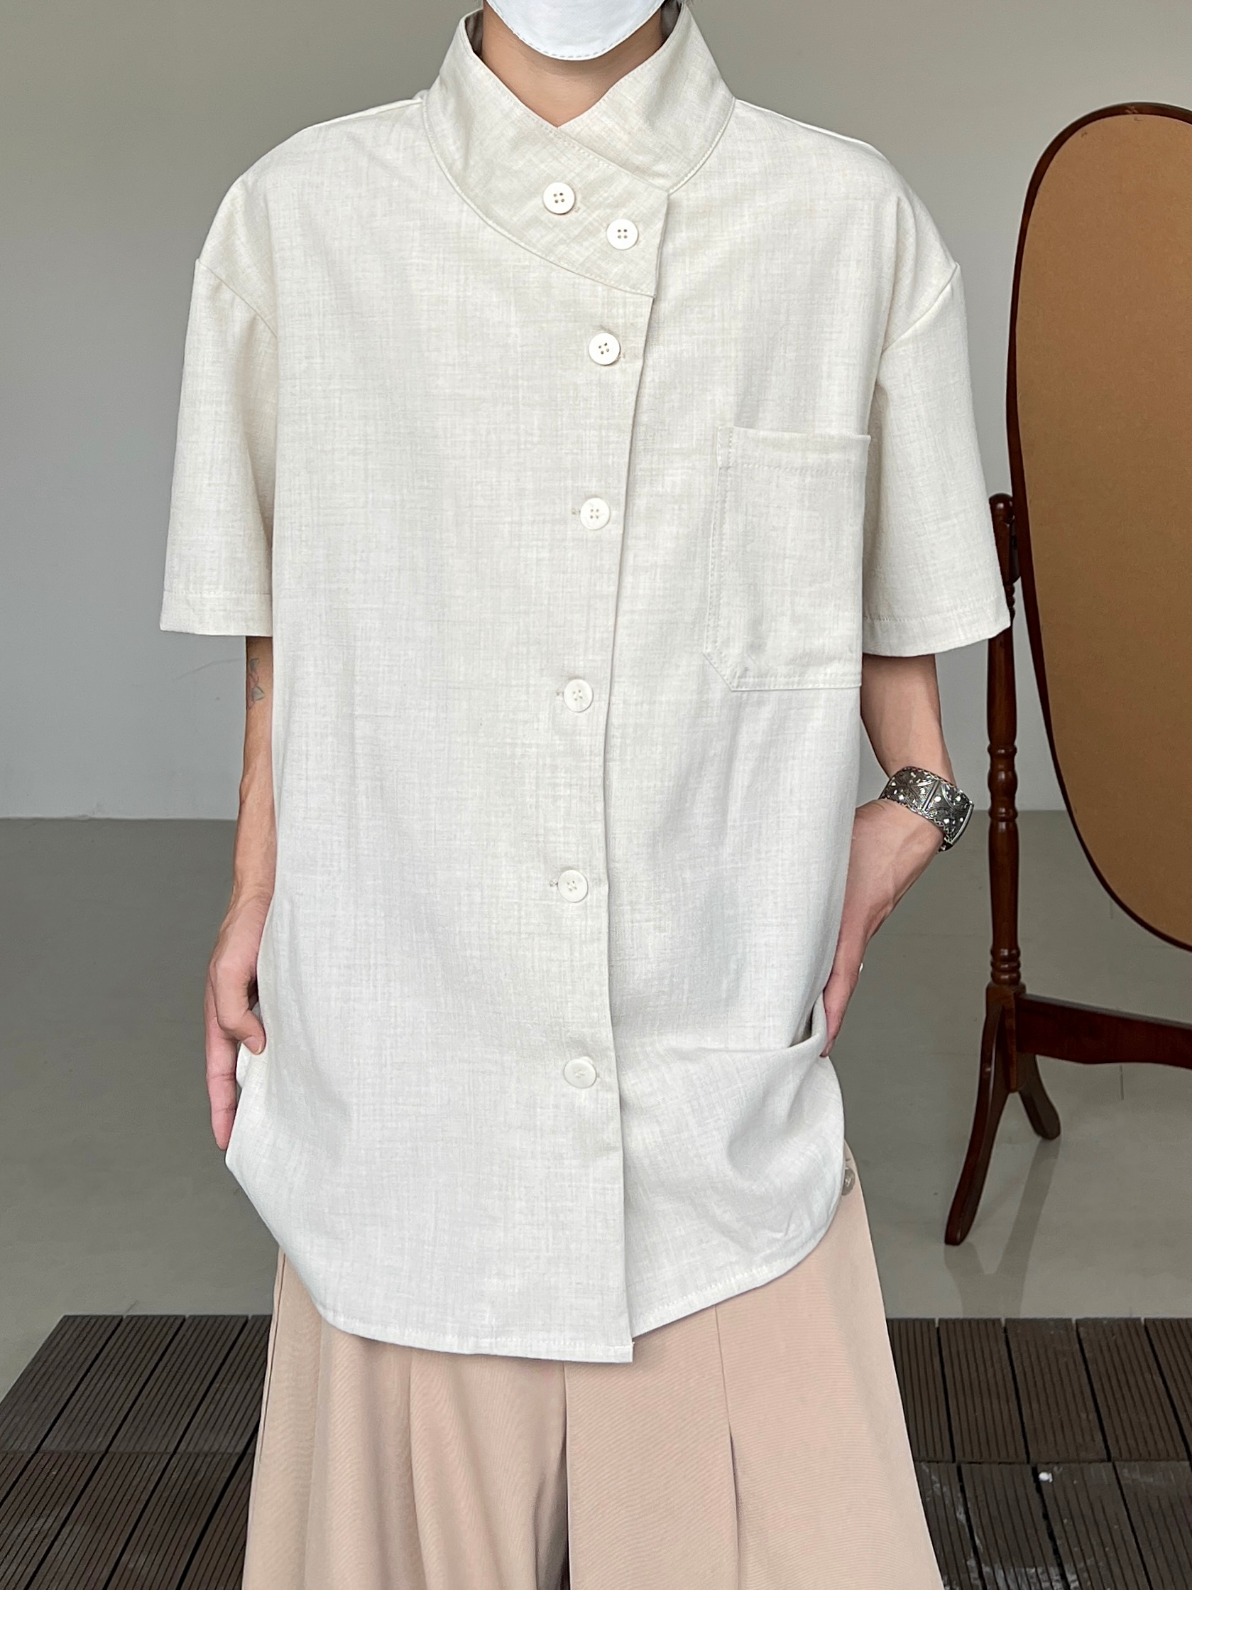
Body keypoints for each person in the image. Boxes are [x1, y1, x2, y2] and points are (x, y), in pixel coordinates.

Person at [159, 0, 1009, 1589]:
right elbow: (289, 634)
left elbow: (900, 631)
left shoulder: (845, 219)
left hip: (719, 1114)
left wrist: (918, 809)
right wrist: (254, 887)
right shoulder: (299, 219)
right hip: (409, 1082)